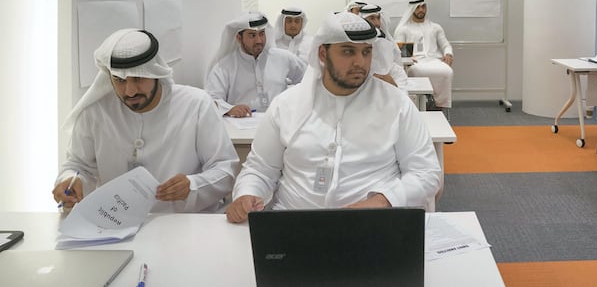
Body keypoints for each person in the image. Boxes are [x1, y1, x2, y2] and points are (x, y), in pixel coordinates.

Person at [225, 12, 441, 222]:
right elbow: (260, 169)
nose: (360, 62)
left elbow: (426, 173)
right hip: (293, 225)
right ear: (322, 54)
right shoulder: (286, 105)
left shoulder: (397, 105)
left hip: (373, 225)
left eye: (366, 52)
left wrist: (384, 200)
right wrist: (247, 193)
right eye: (348, 52)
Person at [53, 29, 238, 213]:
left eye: (138, 79)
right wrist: (69, 182)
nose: (130, 91)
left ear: (155, 72)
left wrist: (193, 185)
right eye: (119, 80)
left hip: (185, 223)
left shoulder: (196, 104)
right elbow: (78, 166)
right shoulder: (96, 112)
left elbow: (225, 169)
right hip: (117, 224)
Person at [205, 11, 306, 118]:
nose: (259, 40)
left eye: (262, 34)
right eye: (252, 35)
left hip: (279, 122)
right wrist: (229, 109)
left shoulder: (283, 58)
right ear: (239, 38)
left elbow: (309, 80)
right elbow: (211, 98)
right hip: (240, 127)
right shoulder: (224, 67)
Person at [393, 0, 454, 109]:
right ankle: (419, 104)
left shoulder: (435, 27)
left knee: (447, 71)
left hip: (434, 60)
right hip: (414, 62)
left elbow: (446, 45)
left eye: (423, 6)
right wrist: (408, 58)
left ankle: (439, 104)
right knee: (416, 71)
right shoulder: (403, 29)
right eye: (418, 7)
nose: (421, 10)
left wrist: (448, 54)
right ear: (412, 9)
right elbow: (397, 49)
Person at [359, 3, 409, 92]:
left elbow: (403, 96)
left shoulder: (395, 70)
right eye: (372, 18)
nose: (377, 23)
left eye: (378, 18)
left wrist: (392, 84)